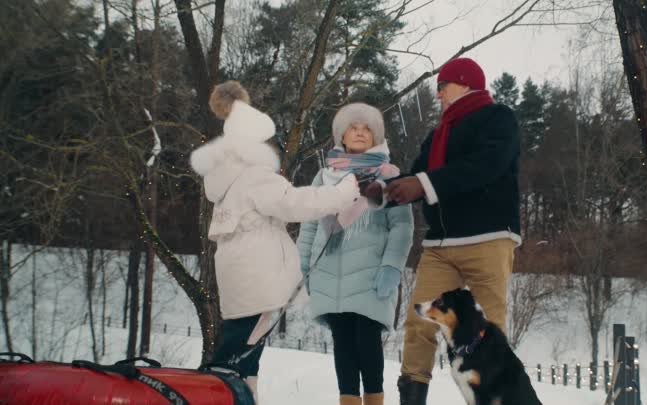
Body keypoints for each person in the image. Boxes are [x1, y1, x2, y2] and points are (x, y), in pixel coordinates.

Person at [189, 81, 360, 404]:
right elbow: (295, 203)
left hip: (239, 274)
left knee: (243, 349)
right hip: (257, 275)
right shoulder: (254, 175)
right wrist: (343, 193)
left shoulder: (228, 180)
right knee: (237, 354)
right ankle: (217, 397)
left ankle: (244, 395)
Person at [367, 58, 521, 405]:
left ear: (466, 83)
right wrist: (381, 191)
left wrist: (422, 184)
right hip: (439, 245)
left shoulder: (499, 119)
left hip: (488, 239)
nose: (438, 95)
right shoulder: (438, 135)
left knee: (490, 331)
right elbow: (416, 177)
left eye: (443, 87)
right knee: (419, 323)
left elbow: (485, 166)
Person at [296, 103, 414, 405]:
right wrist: (304, 266)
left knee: (367, 342)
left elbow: (401, 227)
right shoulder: (324, 177)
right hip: (329, 274)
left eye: (366, 129)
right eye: (353, 127)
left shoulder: (389, 178)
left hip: (370, 274)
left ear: (376, 137)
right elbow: (310, 224)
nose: (360, 132)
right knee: (343, 345)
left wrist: (392, 266)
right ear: (342, 136)